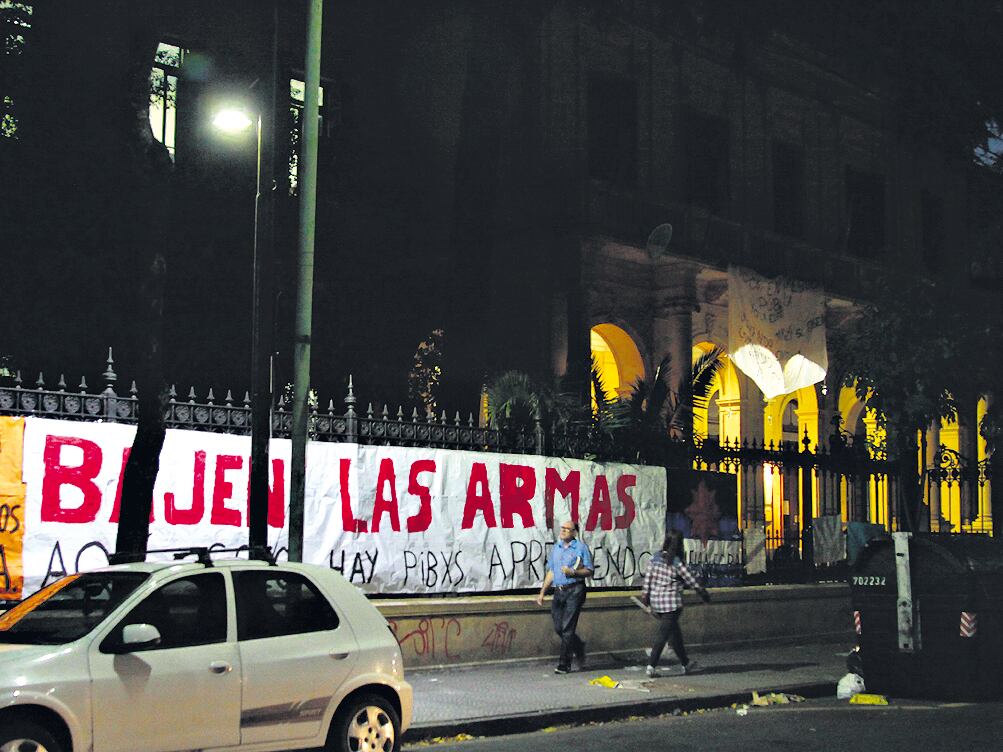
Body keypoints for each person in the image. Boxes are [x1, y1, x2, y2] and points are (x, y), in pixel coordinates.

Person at [640, 529, 710, 678]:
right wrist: (703, 593)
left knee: (674, 635)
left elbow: (647, 580)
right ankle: (651, 666)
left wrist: (645, 598)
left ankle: (686, 663)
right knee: (663, 635)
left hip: (657, 603)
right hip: (671, 604)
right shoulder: (676, 562)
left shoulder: (655, 559)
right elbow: (691, 580)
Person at [536, 519, 594, 674]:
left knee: (568, 627)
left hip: (575, 589)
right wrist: (542, 592)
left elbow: (589, 570)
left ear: (574, 532)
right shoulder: (557, 548)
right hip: (559, 590)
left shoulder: (581, 548)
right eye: (562, 528)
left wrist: (573, 572)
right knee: (558, 627)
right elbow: (552, 571)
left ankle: (564, 664)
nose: (563, 531)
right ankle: (578, 646)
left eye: (567, 529)